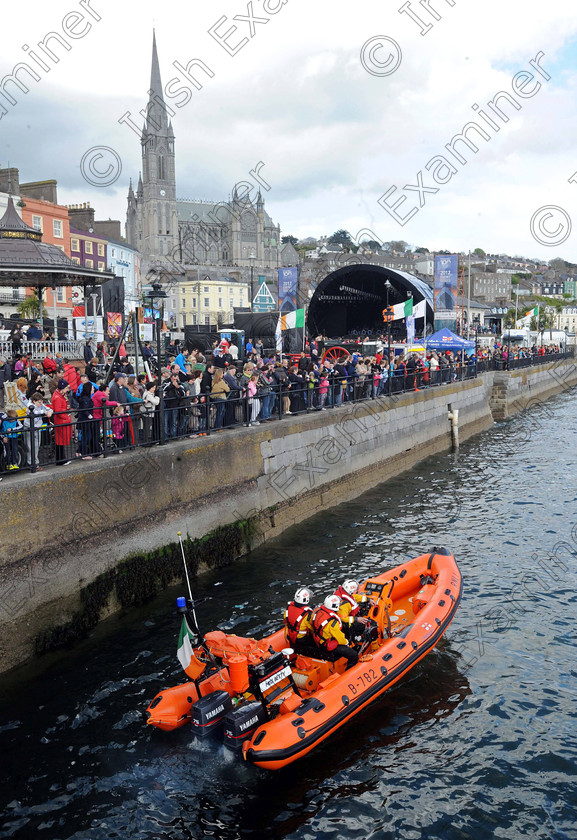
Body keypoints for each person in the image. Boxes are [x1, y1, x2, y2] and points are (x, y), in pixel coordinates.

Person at [312, 595, 359, 669]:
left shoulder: (319, 612)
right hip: (326, 644)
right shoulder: (333, 622)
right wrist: (347, 642)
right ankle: (349, 670)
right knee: (353, 655)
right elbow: (340, 638)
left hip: (319, 640)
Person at [22, 392, 53, 470]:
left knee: (36, 446)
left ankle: (35, 463)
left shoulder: (40, 404)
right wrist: (45, 412)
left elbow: (49, 409)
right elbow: (35, 413)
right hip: (29, 428)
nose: (41, 403)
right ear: (34, 401)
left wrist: (49, 412)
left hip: (37, 427)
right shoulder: (30, 406)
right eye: (39, 402)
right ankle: (31, 464)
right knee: (30, 446)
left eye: (41, 401)